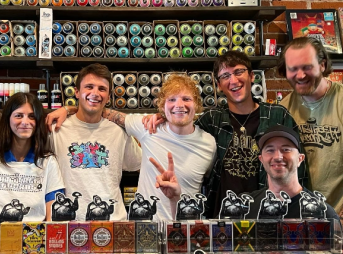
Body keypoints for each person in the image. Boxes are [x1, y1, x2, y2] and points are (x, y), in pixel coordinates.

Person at [145, 51, 308, 218]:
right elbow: (183, 131)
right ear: (218, 85)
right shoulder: (211, 120)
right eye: (225, 76)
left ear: (252, 76)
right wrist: (164, 117)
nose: (233, 81)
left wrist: (299, 213)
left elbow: (299, 171)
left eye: (238, 72)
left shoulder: (277, 115)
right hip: (221, 220)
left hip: (267, 216)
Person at [48, 73, 216, 221]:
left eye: (186, 99)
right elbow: (94, 107)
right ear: (162, 106)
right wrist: (67, 109)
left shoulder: (209, 144)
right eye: (172, 100)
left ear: (197, 104)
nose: (179, 105)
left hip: (189, 228)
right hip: (146, 226)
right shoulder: (146, 128)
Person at [46, 63, 142, 221]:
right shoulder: (56, 130)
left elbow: (141, 166)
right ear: (77, 92)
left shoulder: (118, 132)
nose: (95, 93)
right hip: (69, 223)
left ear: (108, 96)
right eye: (89, 87)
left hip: (113, 222)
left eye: (102, 89)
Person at [0, 93, 64, 253]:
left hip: (36, 251)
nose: (25, 122)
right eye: (18, 115)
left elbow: (53, 216)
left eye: (31, 116)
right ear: (7, 119)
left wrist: (40, 252)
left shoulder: (48, 162)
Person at [278, 37, 343, 215]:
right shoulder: (283, 110)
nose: (300, 75)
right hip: (298, 216)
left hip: (338, 215)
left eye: (307, 67)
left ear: (322, 65)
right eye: (293, 69)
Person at [244, 125, 340, 221]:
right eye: (270, 150)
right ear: (261, 159)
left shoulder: (324, 214)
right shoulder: (246, 207)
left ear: (300, 159)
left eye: (286, 149)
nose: (278, 157)